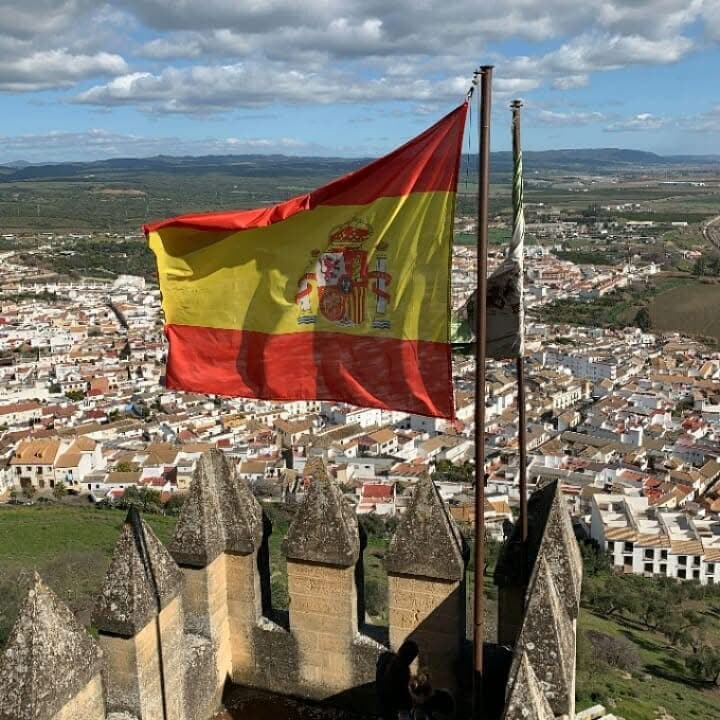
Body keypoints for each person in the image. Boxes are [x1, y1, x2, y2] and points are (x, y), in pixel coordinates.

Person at [376, 639, 419, 720]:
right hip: (393, 709)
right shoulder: (403, 671)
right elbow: (403, 697)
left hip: (381, 700)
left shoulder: (385, 657)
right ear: (410, 658)